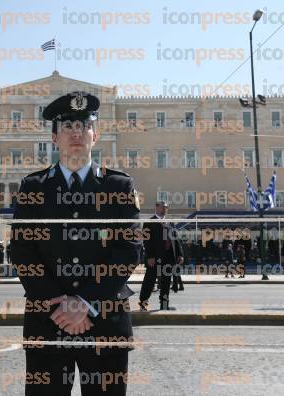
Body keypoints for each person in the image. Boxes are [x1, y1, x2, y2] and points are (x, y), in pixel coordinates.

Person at [12, 91, 142, 395]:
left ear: (94, 135)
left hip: (105, 324)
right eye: (68, 126)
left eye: (84, 126)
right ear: (54, 138)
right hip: (48, 322)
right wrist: (61, 303)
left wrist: (84, 303)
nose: (77, 133)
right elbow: (22, 252)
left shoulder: (119, 186)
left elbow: (130, 249)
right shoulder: (33, 188)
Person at [139, 201, 183, 311]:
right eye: (163, 207)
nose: (165, 209)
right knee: (150, 280)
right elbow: (147, 241)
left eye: (166, 207)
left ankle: (164, 305)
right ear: (157, 207)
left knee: (166, 282)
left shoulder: (170, 223)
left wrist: (180, 254)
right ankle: (143, 303)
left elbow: (176, 240)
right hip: (154, 258)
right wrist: (150, 256)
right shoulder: (149, 222)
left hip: (168, 257)